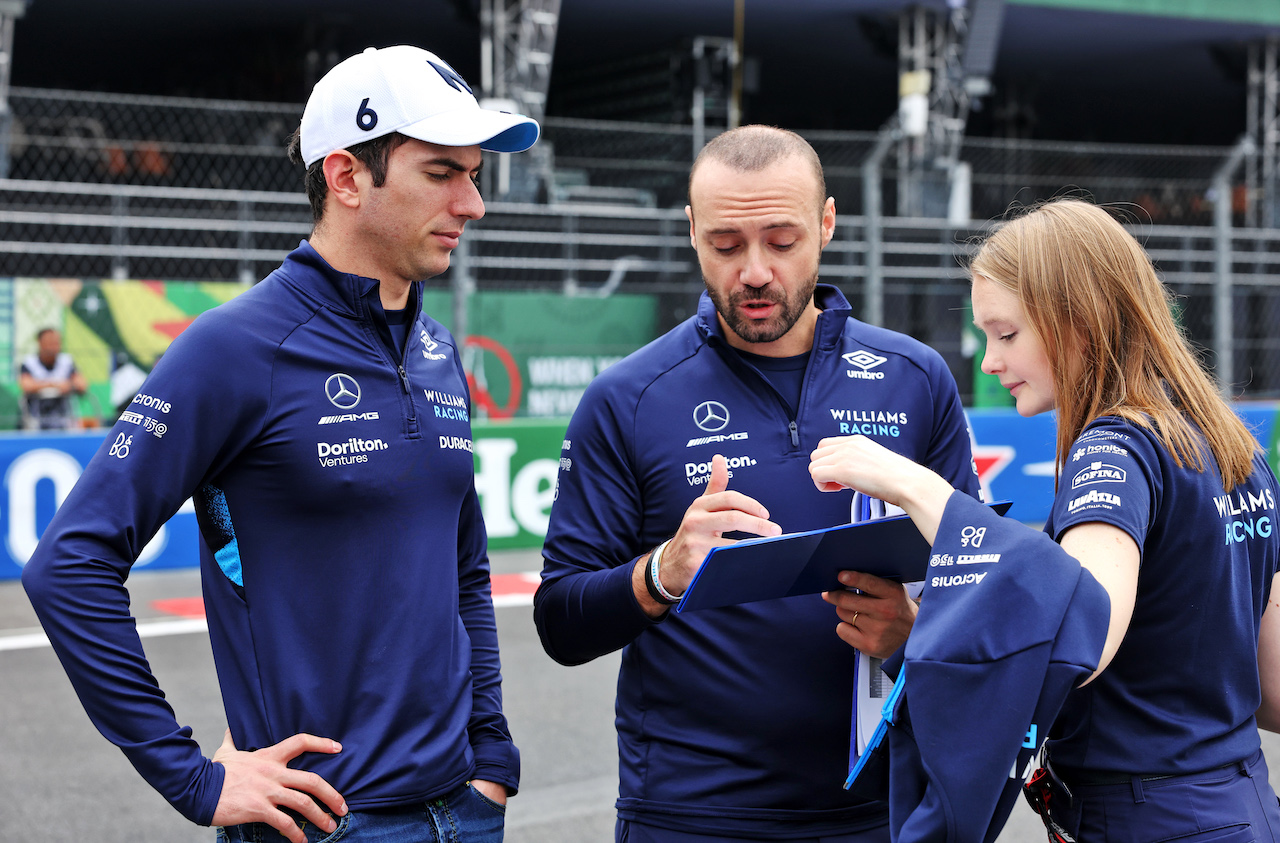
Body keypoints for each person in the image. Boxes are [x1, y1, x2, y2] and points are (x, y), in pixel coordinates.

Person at [23, 45, 539, 843]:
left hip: (464, 812)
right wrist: (192, 779)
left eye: (474, 174)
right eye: (442, 173)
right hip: (323, 824)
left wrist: (491, 754)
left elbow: (463, 565)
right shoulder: (235, 348)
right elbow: (68, 565)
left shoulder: (437, 348)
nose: (473, 203)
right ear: (345, 178)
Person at [535, 125, 981, 842]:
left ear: (827, 223)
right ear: (691, 231)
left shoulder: (914, 378)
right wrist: (661, 574)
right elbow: (559, 619)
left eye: (781, 240)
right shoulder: (628, 398)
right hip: (692, 815)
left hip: (880, 812)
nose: (753, 270)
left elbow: (976, 587)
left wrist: (912, 629)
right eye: (726, 243)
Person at [809, 198, 1280, 839]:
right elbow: (1272, 685)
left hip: (1151, 816)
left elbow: (1082, 634)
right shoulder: (1234, 449)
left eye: (1006, 334)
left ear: (1077, 322)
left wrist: (910, 484)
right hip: (1241, 803)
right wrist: (919, 639)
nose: (989, 361)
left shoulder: (1114, 447)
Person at [19, 327, 88, 430]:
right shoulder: (29, 363)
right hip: (36, 420)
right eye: (49, 343)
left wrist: (70, 386)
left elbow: (82, 384)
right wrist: (54, 386)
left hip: (64, 419)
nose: (53, 347)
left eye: (56, 343)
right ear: (40, 343)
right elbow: (26, 385)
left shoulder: (67, 362)